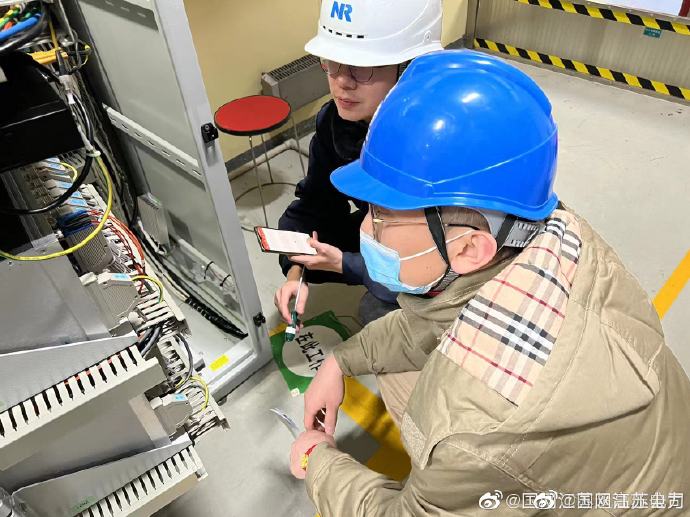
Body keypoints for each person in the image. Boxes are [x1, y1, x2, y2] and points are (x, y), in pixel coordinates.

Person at [288, 50, 690, 515]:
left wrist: (319, 461)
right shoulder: (552, 234)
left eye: (381, 215)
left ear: (468, 248)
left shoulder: (471, 428)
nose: (364, 229)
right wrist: (340, 360)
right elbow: (431, 322)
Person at [275, 0, 443, 326]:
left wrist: (346, 264)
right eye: (332, 62)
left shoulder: (437, 139)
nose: (342, 81)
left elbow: (441, 259)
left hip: (442, 254)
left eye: (361, 67)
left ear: (408, 67)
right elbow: (314, 205)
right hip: (386, 230)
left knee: (377, 313)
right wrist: (297, 271)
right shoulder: (336, 123)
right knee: (313, 244)